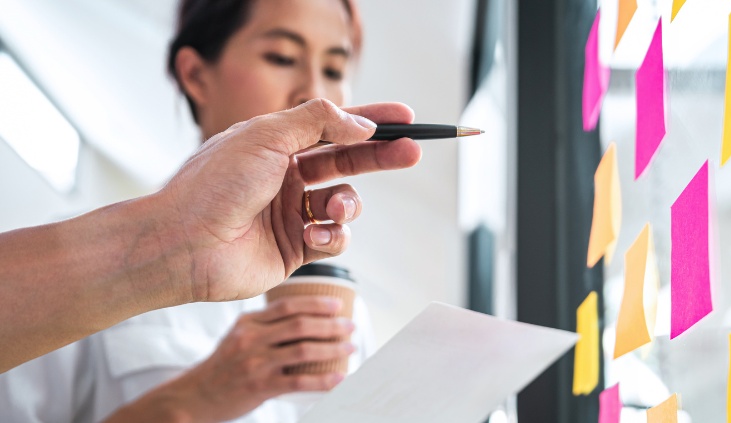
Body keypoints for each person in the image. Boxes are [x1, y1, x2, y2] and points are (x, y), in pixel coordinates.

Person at [0, 0, 422, 421]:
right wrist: (197, 398)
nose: (315, 95)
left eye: (334, 69)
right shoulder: (63, 262)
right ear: (196, 75)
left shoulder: (348, 310)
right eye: (282, 57)